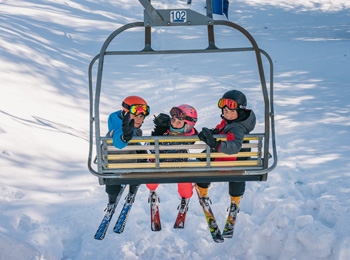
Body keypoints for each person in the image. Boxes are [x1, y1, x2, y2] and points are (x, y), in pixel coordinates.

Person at [196, 90, 256, 237]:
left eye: (231, 106)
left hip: (228, 161)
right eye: (223, 106)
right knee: (237, 173)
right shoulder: (233, 122)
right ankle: (235, 201)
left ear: (240, 110)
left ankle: (202, 191)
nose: (226, 109)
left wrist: (214, 143)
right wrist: (213, 133)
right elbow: (223, 132)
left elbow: (234, 147)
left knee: (201, 164)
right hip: (237, 165)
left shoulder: (237, 127)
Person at [147, 104, 198, 227]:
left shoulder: (188, 136)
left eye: (179, 122)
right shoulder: (165, 131)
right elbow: (149, 148)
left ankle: (185, 198)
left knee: (185, 181)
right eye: (173, 120)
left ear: (187, 126)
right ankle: (152, 191)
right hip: (162, 165)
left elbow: (191, 135)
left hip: (178, 167)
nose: (174, 124)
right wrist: (157, 132)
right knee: (152, 172)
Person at [104, 95, 150, 214]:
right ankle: (131, 191)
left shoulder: (120, 124)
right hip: (127, 166)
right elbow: (118, 143)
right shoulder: (120, 130)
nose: (139, 120)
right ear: (125, 114)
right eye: (135, 116)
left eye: (141, 116)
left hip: (114, 168)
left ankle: (112, 200)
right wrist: (125, 138)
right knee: (142, 162)